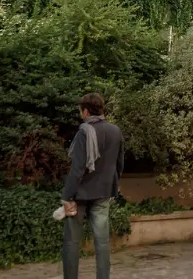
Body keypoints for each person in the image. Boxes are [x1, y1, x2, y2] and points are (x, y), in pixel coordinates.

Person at [61, 93, 124, 279]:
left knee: (72, 242)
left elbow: (78, 168)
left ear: (86, 111)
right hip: (104, 192)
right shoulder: (115, 131)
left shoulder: (84, 131)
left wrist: (67, 196)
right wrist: (113, 185)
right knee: (102, 243)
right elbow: (119, 165)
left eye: (81, 111)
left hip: (79, 194)